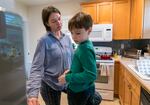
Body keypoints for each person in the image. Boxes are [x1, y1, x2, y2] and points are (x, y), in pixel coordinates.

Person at [26, 6, 74, 105]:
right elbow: (36, 68)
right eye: (54, 21)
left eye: (59, 19)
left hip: (66, 82)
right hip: (49, 85)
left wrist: (71, 73)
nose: (59, 23)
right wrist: (32, 95)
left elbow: (72, 60)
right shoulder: (43, 41)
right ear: (47, 23)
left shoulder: (67, 39)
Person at [58, 12, 102, 105]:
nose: (74, 37)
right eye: (72, 33)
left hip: (79, 92)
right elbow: (82, 66)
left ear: (89, 31)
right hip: (82, 89)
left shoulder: (85, 49)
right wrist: (71, 71)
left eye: (78, 33)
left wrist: (68, 77)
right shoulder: (83, 44)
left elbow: (91, 75)